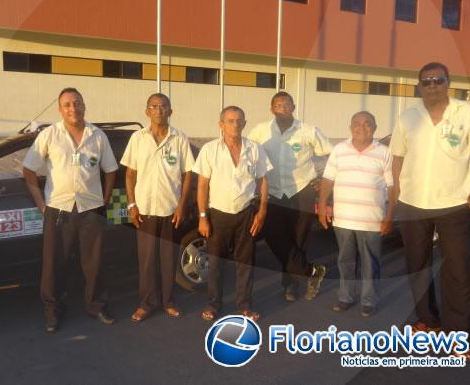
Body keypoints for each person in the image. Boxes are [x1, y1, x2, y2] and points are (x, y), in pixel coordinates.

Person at [390, 61, 470, 360]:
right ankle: (428, 322)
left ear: (448, 82)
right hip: (413, 202)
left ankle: (457, 336)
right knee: (417, 264)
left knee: (458, 271)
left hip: (454, 203)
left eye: (438, 80)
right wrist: (395, 193)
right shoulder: (407, 116)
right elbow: (397, 157)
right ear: (419, 86)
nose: (432, 86)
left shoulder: (467, 113)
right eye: (426, 81)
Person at [23, 87, 118, 333]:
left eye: (77, 103)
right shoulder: (49, 135)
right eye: (67, 104)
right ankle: (53, 312)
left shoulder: (97, 136)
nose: (73, 108)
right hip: (58, 209)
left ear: (84, 105)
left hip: (91, 209)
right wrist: (41, 205)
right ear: (60, 109)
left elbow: (110, 169)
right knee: (54, 264)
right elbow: (29, 169)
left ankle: (96, 306)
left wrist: (105, 199)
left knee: (95, 262)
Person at [248, 91, 330, 302]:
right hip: (273, 191)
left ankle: (290, 285)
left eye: (286, 104)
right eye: (277, 105)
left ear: (293, 107)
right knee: (275, 236)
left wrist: (323, 178)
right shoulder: (260, 131)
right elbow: (247, 154)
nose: (282, 108)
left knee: (299, 239)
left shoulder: (308, 131)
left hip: (301, 190)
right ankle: (312, 271)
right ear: (271, 109)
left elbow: (331, 154)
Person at [193, 106, 272, 322]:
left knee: (245, 263)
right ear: (221, 124)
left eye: (239, 121)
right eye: (230, 121)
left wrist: (262, 211)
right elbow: (202, 186)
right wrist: (202, 217)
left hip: (246, 213)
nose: (235, 125)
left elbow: (263, 181)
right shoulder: (210, 150)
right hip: (218, 214)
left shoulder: (255, 149)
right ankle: (213, 304)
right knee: (216, 263)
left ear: (244, 124)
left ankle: (244, 306)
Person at [121, 93, 194, 323]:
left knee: (168, 259)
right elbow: (130, 173)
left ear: (170, 111)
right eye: (154, 106)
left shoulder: (179, 138)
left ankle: (169, 302)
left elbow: (187, 174)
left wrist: (182, 205)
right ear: (147, 111)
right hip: (144, 211)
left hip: (170, 210)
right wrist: (131, 204)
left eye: (164, 107)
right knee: (146, 261)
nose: (159, 110)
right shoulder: (137, 138)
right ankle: (146, 304)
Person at [318, 111, 394, 317]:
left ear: (375, 127)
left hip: (372, 220)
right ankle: (346, 296)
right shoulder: (339, 150)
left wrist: (389, 216)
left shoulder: (384, 152)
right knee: (345, 261)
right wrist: (322, 204)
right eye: (357, 123)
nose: (362, 127)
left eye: (368, 123)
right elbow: (327, 180)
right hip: (343, 219)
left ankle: (369, 300)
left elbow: (393, 187)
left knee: (371, 263)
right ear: (350, 127)